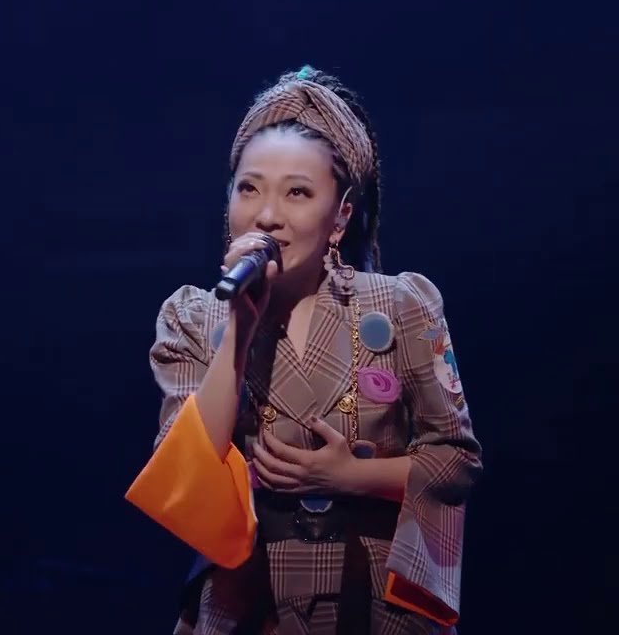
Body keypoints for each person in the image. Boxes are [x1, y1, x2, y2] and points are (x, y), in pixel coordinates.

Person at [126, 65, 483, 634]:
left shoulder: (402, 306)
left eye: (297, 192)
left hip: (372, 603)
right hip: (247, 603)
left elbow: (456, 462)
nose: (267, 215)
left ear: (340, 215)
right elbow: (184, 474)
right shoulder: (192, 317)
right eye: (249, 188)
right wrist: (239, 332)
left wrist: (350, 475)